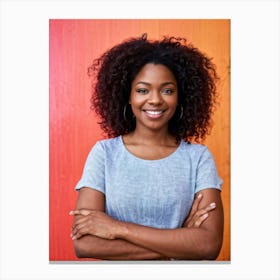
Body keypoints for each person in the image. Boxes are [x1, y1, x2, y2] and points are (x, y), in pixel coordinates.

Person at [70, 33, 224, 260]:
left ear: (181, 97)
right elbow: (86, 245)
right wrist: (179, 241)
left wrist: (116, 228)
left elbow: (208, 245)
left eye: (167, 90)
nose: (155, 100)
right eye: (142, 90)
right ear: (128, 96)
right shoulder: (104, 154)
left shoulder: (198, 158)